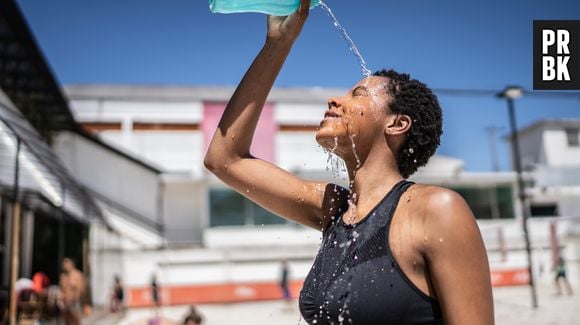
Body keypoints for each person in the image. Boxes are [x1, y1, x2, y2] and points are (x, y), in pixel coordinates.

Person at [204, 0, 494, 323]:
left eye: (357, 94)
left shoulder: (435, 211)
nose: (334, 100)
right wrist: (278, 44)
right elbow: (224, 159)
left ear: (397, 124)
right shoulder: (334, 209)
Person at [59, 257, 85, 325]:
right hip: (65, 302)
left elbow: (81, 289)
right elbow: (61, 289)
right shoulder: (63, 276)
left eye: (66, 264)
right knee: (67, 321)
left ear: (72, 264)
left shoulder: (77, 275)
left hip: (74, 302)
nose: (65, 266)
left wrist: (75, 299)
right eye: (64, 264)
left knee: (76, 321)